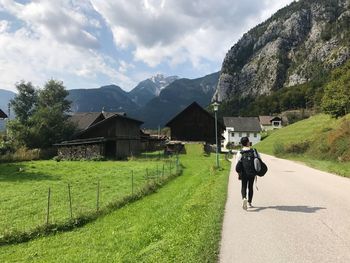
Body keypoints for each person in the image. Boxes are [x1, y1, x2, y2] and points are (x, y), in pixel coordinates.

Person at [235, 136, 261, 210]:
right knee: (250, 187)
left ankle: (244, 198)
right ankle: (249, 203)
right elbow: (259, 160)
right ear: (247, 142)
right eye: (249, 141)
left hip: (243, 173)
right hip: (252, 173)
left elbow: (237, 165)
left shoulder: (240, 152)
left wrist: (238, 174)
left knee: (243, 186)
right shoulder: (254, 151)